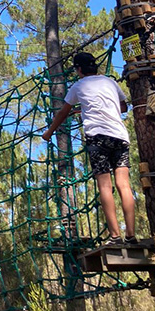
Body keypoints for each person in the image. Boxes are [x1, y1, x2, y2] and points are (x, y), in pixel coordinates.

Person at [42, 52, 137, 246]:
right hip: (120, 136)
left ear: (79, 69)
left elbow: (62, 112)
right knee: (124, 185)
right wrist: (88, 108)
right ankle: (131, 235)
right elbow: (124, 107)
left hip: (98, 137)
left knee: (104, 185)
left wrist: (49, 132)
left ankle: (115, 237)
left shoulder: (78, 86)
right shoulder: (110, 82)